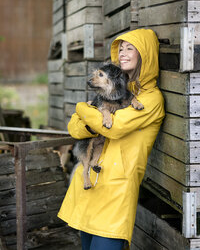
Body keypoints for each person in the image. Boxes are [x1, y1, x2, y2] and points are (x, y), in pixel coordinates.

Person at [58, 28, 165, 250]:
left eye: (130, 48)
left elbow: (113, 128)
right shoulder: (113, 90)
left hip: (116, 191)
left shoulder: (151, 99)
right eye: (121, 49)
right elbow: (74, 130)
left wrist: (80, 108)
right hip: (90, 185)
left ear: (145, 54)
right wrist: (87, 118)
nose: (123, 53)